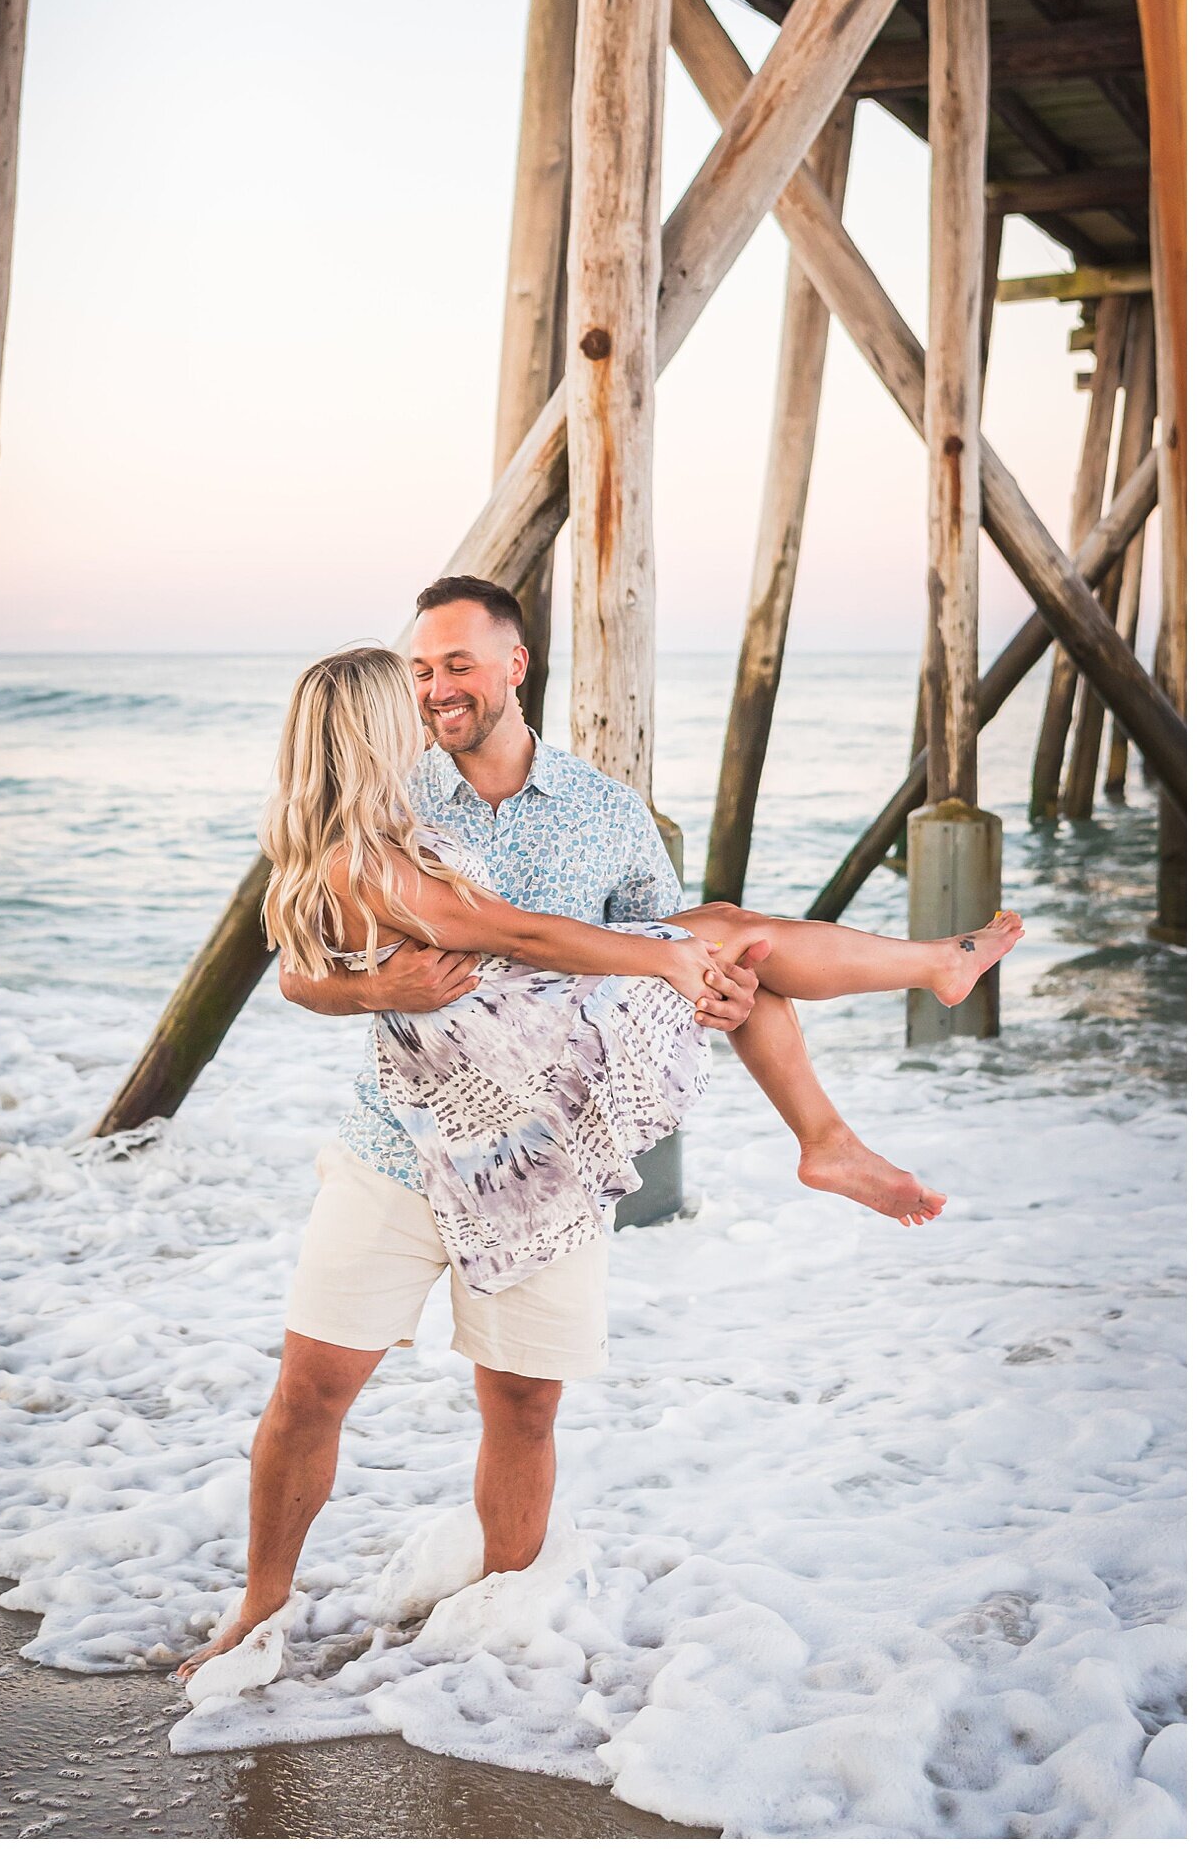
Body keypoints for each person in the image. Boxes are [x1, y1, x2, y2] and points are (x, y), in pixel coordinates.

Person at [173, 581, 1022, 1690]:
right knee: (312, 1386)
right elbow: (306, 970)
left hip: (551, 1146)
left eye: (455, 667)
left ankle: (501, 1635)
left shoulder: (604, 811)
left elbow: (672, 956)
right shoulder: (382, 799)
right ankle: (259, 1605)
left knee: (525, 1398)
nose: (433, 690)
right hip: (402, 1145)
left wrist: (699, 983)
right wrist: (380, 982)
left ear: (515, 664)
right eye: (417, 672)